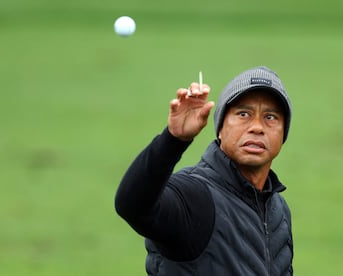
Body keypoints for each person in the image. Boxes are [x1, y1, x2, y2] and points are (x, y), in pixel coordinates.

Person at [115, 66, 294, 275]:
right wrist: (173, 140)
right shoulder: (194, 196)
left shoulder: (277, 209)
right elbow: (132, 206)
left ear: (283, 134)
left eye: (271, 117)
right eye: (243, 114)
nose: (257, 127)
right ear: (220, 128)